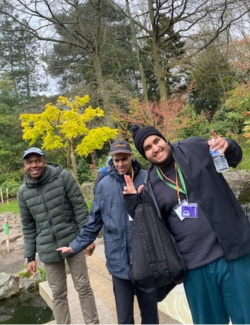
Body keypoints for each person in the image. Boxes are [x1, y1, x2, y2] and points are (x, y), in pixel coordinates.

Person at [123, 124, 250, 325]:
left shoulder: (193, 147)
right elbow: (150, 229)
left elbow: (234, 158)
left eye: (156, 141)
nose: (155, 148)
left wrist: (229, 145)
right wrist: (132, 202)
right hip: (194, 268)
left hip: (231, 255)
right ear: (144, 155)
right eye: (147, 148)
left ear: (164, 139)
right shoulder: (150, 184)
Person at [57, 140, 160, 324]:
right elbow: (93, 222)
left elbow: (161, 214)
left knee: (150, 316)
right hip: (118, 262)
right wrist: (75, 247)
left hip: (146, 260)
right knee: (124, 317)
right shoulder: (104, 185)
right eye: (115, 160)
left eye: (123, 159)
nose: (120, 164)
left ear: (131, 156)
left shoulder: (147, 178)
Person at [18, 147, 99, 325]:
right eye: (29, 162)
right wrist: (30, 256)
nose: (34, 165)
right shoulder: (23, 192)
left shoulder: (63, 177)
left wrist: (87, 239)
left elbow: (79, 207)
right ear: (24, 165)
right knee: (58, 294)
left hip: (73, 241)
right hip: (48, 248)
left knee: (83, 287)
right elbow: (28, 226)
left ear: (44, 161)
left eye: (37, 160)